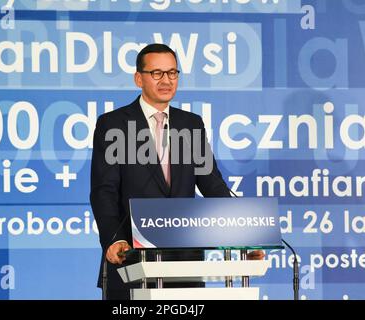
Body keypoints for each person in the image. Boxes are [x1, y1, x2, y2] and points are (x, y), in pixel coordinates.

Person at [90, 43, 264, 300]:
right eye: (157, 73)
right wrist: (112, 240)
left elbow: (213, 185)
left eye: (172, 73)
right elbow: (104, 190)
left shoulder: (191, 124)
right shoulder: (113, 124)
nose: (166, 80)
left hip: (183, 263)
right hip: (131, 259)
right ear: (139, 78)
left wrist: (243, 239)